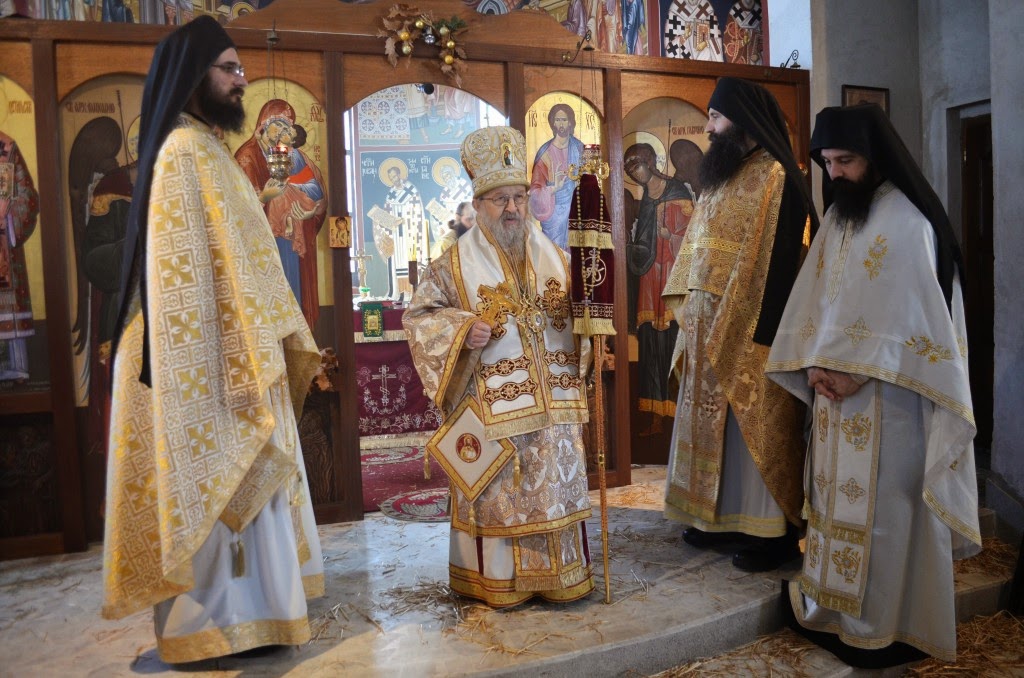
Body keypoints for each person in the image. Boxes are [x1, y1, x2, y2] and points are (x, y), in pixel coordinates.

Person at [101, 17, 324, 663]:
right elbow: (180, 281)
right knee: (218, 495)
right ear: (193, 76)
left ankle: (264, 617)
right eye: (229, 68)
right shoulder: (183, 152)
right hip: (204, 358)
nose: (241, 79)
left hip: (238, 345)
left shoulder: (207, 148)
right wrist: (235, 349)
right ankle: (217, 628)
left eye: (240, 67)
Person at [766, 103, 980, 667]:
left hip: (894, 404)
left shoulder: (911, 223)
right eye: (827, 162)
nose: (834, 173)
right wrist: (814, 366)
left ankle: (886, 628)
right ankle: (833, 614)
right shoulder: (839, 219)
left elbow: (921, 323)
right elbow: (818, 305)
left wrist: (858, 370)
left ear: (874, 156)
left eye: (846, 160)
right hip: (834, 403)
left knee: (888, 517)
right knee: (835, 505)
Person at [404, 126, 594, 607]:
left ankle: (560, 577)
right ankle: (501, 584)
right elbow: (420, 317)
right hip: (491, 411)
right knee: (501, 496)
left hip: (553, 410)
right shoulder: (450, 265)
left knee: (552, 485)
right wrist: (462, 329)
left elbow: (576, 320)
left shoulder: (555, 257)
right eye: (500, 200)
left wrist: (594, 327)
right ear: (478, 204)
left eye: (519, 197)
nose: (512, 208)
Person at [661, 77, 816, 571]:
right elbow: (696, 252)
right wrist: (691, 312)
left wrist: (742, 324)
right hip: (705, 328)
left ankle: (768, 534)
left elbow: (784, 261)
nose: (708, 128)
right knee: (712, 431)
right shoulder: (720, 176)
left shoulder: (778, 176)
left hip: (752, 329)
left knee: (752, 431)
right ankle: (716, 521)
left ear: (743, 120)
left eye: (714, 116)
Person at [624, 140, 698, 436]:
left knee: (672, 340)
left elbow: (693, 236)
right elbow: (642, 240)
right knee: (650, 343)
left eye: (637, 166)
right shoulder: (645, 199)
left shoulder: (677, 191)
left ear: (650, 162)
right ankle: (654, 414)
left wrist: (671, 237)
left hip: (672, 277)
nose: (635, 173)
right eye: (630, 170)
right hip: (649, 279)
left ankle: (677, 414)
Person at [234, 98, 327, 330]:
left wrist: (308, 213)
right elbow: (238, 209)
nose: (282, 132)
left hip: (291, 241)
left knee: (292, 291)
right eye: (278, 125)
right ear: (263, 124)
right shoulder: (247, 156)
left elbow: (317, 194)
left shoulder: (293, 155)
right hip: (263, 244)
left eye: (287, 127)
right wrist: (265, 197)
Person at [0, 130, 39, 382]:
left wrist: (7, 214)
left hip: (5, 243)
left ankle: (16, 368)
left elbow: (28, 196)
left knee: (9, 300)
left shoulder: (7, 147)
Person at [528, 103, 584, 250]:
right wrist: (553, 189)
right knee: (555, 255)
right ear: (553, 123)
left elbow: (590, 179)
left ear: (570, 122)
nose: (561, 124)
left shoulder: (579, 149)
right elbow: (534, 192)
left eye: (564, 120)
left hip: (577, 212)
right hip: (554, 215)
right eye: (558, 120)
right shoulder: (544, 153)